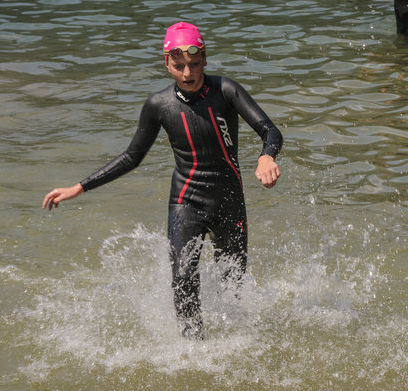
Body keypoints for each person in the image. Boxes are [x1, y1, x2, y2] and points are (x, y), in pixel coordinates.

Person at [42, 22, 283, 339]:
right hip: (187, 200)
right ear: (166, 63)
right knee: (183, 279)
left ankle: (235, 347)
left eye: (194, 64)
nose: (188, 73)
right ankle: (194, 352)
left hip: (229, 202)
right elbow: (132, 156)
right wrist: (79, 187)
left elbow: (270, 130)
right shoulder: (158, 106)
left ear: (205, 59)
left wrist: (267, 155)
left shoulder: (226, 91)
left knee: (232, 287)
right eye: (179, 65)